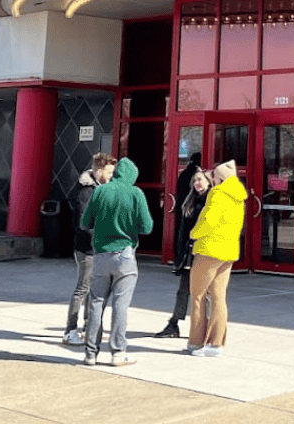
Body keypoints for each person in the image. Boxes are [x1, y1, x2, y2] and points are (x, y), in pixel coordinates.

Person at [81, 156, 153, 367]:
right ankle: (118, 353)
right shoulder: (135, 193)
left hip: (101, 254)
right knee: (121, 305)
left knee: (96, 303)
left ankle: (90, 354)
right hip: (125, 255)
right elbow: (147, 227)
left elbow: (85, 222)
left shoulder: (100, 191)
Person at [186, 159, 247, 358]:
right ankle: (216, 344)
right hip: (228, 251)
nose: (211, 178)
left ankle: (196, 342)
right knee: (219, 297)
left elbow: (209, 221)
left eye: (213, 175)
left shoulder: (218, 194)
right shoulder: (237, 197)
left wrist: (194, 233)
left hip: (209, 249)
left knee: (197, 297)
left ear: (219, 177)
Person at [62, 152, 117, 345]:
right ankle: (70, 331)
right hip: (87, 249)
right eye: (109, 172)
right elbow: (82, 223)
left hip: (100, 248)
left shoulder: (102, 188)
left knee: (95, 290)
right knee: (83, 289)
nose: (111, 175)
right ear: (99, 170)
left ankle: (88, 327)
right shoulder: (85, 191)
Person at [154, 167, 212, 338]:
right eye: (195, 181)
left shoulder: (211, 202)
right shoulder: (190, 200)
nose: (197, 184)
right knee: (183, 290)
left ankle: (205, 327)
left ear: (209, 182)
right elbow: (183, 230)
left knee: (204, 292)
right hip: (188, 252)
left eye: (200, 180)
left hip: (203, 252)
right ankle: (174, 324)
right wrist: (179, 252)